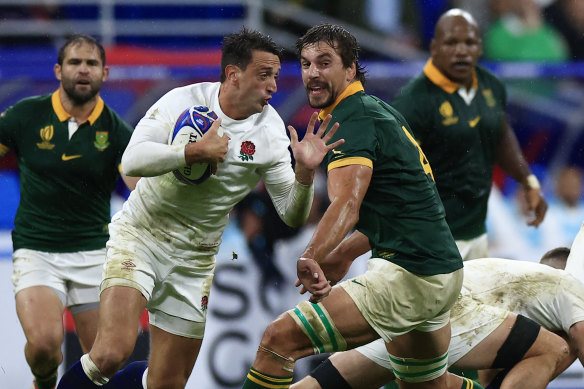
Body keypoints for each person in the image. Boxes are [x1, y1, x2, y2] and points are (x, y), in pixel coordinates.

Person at [56, 27, 343, 389]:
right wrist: (191, 152)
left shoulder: (270, 132)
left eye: (276, 76)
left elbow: (292, 214)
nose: (274, 86)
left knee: (166, 383)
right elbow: (131, 161)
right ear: (233, 75)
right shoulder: (183, 102)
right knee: (112, 352)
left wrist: (304, 174)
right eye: (264, 75)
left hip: (196, 259)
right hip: (142, 236)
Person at [241, 23, 468, 389]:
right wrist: (345, 252)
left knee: (277, 341)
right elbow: (403, 205)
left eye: (324, 62)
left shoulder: (352, 116)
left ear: (350, 68)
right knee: (428, 386)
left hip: (410, 275)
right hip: (438, 271)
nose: (312, 73)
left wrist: (312, 254)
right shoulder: (377, 111)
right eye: (305, 63)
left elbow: (348, 202)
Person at [0, 34, 137, 389]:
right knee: (46, 347)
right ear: (59, 70)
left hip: (94, 253)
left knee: (103, 366)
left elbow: (140, 190)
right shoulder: (25, 116)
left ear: (105, 73)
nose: (83, 69)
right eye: (75, 62)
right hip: (37, 250)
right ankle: (43, 381)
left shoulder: (119, 133)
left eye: (91, 63)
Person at [292, 245, 583, 389]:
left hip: (416, 303)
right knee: (559, 349)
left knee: (318, 386)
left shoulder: (522, 290)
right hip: (450, 311)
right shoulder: (571, 288)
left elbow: (492, 370)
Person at [391, 8, 547, 260]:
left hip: (477, 231)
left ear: (479, 48)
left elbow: (500, 134)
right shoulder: (414, 100)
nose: (461, 50)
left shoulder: (490, 85)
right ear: (434, 48)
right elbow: (391, 168)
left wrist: (527, 180)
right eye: (452, 42)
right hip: (430, 236)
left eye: (469, 42)